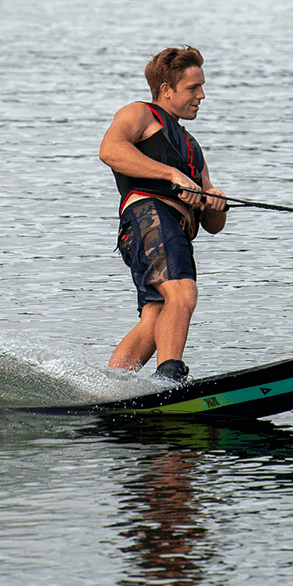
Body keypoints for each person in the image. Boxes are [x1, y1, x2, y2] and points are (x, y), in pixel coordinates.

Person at [99, 46, 227, 382]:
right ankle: (170, 377)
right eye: (192, 88)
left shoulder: (191, 146)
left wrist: (212, 200)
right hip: (151, 219)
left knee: (157, 316)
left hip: (171, 231)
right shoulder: (140, 114)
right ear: (166, 90)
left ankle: (108, 388)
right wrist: (172, 175)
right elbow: (110, 150)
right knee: (182, 292)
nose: (202, 95)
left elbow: (214, 226)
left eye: (201, 86)